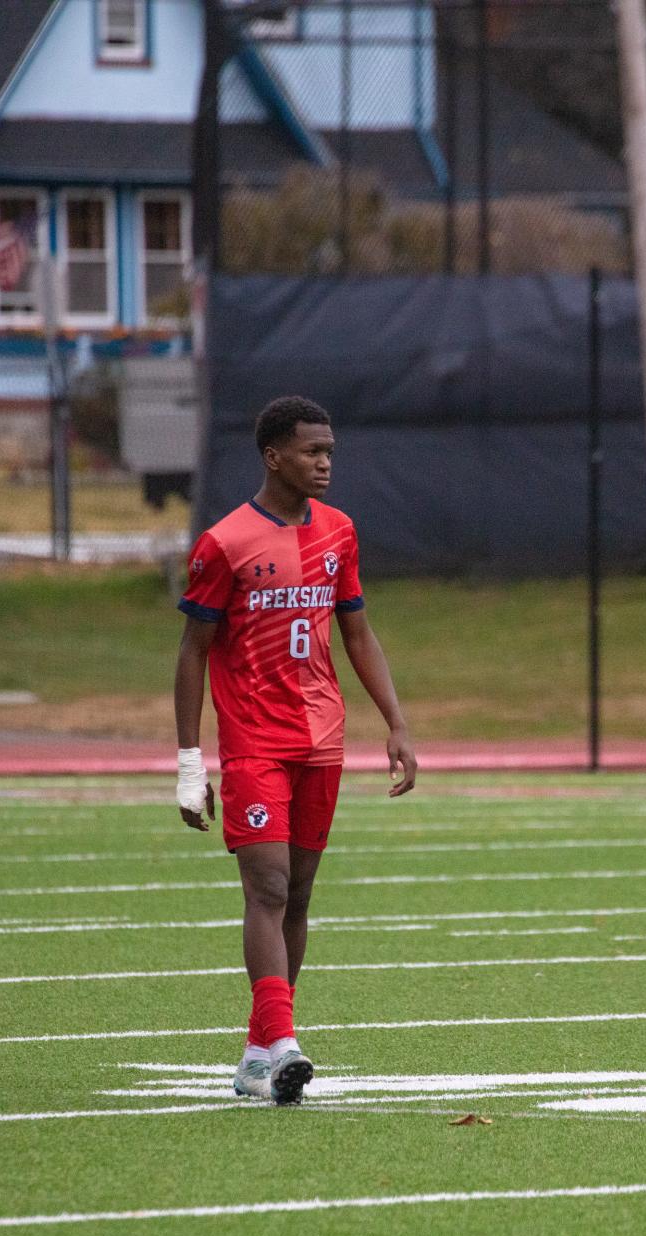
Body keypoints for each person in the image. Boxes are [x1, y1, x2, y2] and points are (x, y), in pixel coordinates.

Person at [173, 395, 417, 1105]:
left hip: (322, 737)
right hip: (252, 740)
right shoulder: (224, 543)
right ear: (273, 456)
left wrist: (396, 723)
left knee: (300, 893)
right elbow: (192, 652)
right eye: (312, 451)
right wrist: (191, 760)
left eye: (331, 452)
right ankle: (283, 1042)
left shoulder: (338, 533)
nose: (325, 463)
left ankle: (257, 1055)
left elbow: (358, 634)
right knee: (268, 886)